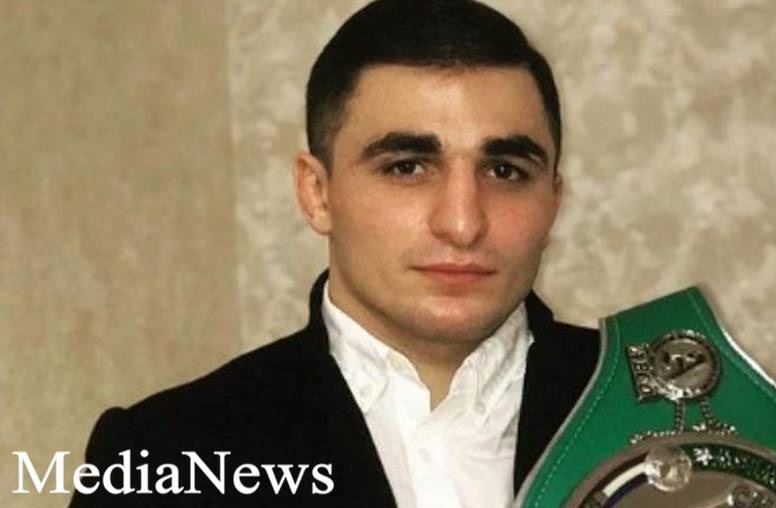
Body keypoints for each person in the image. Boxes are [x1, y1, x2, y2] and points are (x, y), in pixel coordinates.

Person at [69, 1, 598, 507]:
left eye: (505, 171)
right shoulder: (164, 454)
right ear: (317, 194)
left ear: (553, 201)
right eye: (407, 167)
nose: (462, 224)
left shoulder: (646, 408)